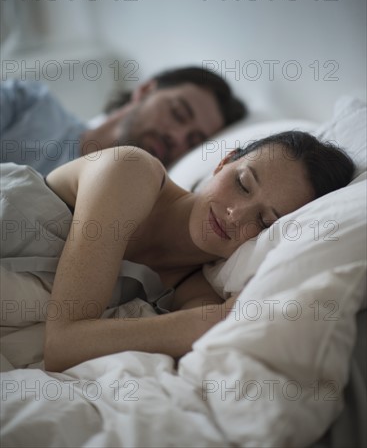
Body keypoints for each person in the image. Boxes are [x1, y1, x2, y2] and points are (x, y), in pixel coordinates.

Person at [0, 131, 355, 372]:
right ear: (223, 162)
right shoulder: (130, 172)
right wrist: (211, 320)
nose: (235, 215)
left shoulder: (192, 292)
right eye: (243, 184)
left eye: (264, 222)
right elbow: (64, 345)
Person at [0, 66, 246, 174]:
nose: (177, 138)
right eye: (178, 113)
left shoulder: (123, 211)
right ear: (146, 90)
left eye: (193, 142)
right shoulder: (29, 104)